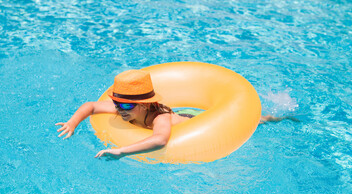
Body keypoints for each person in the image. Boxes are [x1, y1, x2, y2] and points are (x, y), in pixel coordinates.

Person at [56, 69, 298, 159]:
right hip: (182, 114)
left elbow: (160, 139)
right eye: (117, 104)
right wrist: (72, 122)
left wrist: (120, 150)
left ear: (145, 105)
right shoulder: (124, 111)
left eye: (126, 106)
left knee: (258, 120)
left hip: (195, 122)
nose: (119, 110)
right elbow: (91, 106)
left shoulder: (159, 117)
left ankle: (279, 116)